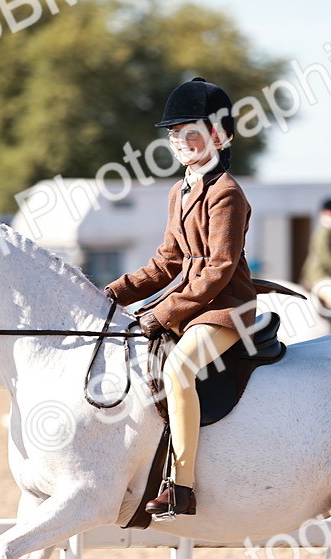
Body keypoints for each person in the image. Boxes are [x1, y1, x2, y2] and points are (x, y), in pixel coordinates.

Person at [105, 77, 284, 518]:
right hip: (192, 306)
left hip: (225, 309)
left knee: (179, 368)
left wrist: (163, 312)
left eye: (190, 132)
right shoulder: (179, 190)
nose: (179, 142)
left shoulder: (227, 193)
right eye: (174, 134)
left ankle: (181, 487)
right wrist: (110, 294)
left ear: (219, 136)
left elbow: (218, 269)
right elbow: (167, 261)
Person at [301, 198, 331, 332]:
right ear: (327, 213)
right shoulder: (324, 232)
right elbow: (327, 258)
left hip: (330, 274)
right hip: (320, 275)